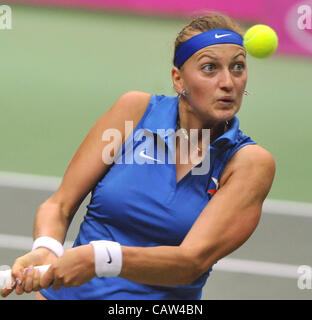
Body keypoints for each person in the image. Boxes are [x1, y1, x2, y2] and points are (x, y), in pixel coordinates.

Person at [1, 12, 275, 300]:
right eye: (209, 68)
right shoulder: (134, 111)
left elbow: (190, 263)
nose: (228, 82)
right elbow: (59, 205)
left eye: (237, 68)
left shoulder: (249, 163)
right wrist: (47, 247)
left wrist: (101, 259)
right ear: (179, 80)